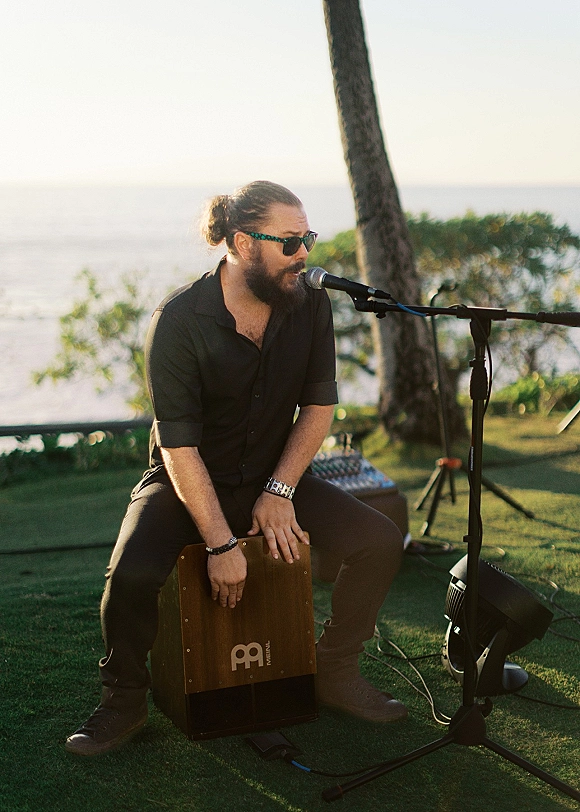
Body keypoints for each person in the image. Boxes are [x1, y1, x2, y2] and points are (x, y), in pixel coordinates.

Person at [65, 180, 407, 757]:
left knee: (378, 540)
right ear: (243, 242)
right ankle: (123, 700)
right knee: (129, 578)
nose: (304, 255)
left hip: (273, 475)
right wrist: (222, 545)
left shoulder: (311, 304)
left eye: (308, 239)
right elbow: (178, 448)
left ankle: (335, 668)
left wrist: (280, 489)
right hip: (187, 480)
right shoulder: (177, 320)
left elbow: (319, 405)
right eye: (290, 242)